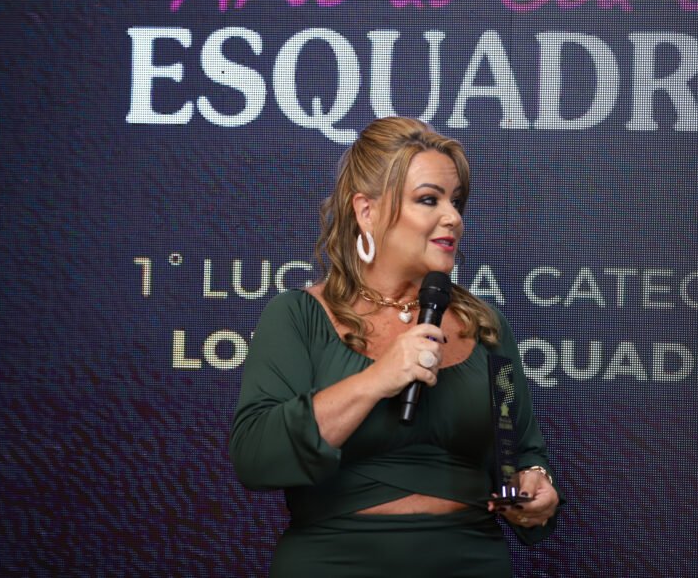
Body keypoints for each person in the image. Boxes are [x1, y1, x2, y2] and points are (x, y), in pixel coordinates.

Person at [229, 117, 561, 576]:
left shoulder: (485, 326)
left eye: (456, 201)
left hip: (471, 560)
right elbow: (256, 457)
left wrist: (535, 485)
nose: (453, 218)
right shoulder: (297, 317)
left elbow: (521, 449)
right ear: (366, 211)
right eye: (429, 199)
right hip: (333, 561)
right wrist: (376, 380)